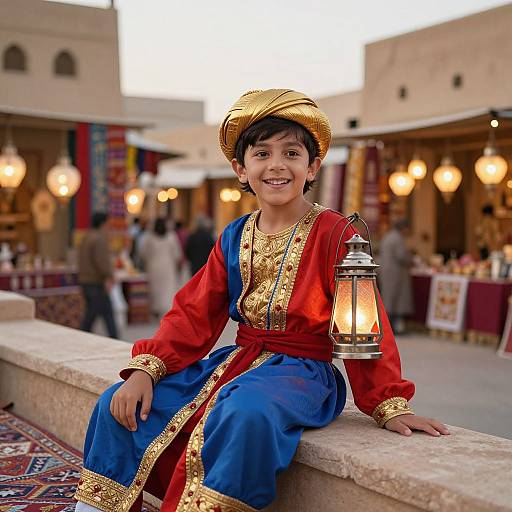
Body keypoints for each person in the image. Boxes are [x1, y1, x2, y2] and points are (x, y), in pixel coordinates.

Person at [75, 89, 448, 512]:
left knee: (244, 413)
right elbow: (194, 311)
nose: (276, 165)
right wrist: (147, 368)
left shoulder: (337, 234)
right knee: (119, 402)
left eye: (291, 153)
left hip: (305, 374)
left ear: (313, 167)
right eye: (262, 153)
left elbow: (363, 324)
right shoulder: (234, 235)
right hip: (237, 361)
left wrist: (387, 402)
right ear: (241, 168)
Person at [78, 212, 118, 339]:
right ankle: (114, 338)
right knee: (98, 313)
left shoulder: (87, 237)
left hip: (85, 280)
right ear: (103, 223)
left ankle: (83, 336)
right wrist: (110, 275)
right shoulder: (99, 239)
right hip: (95, 282)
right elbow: (102, 261)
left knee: (97, 312)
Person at [140, 218, 183, 317]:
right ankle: (166, 309)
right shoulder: (171, 237)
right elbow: (177, 254)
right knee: (167, 289)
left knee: (155, 289)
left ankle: (155, 309)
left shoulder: (149, 238)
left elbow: (143, 253)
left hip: (153, 267)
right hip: (168, 266)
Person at [378, 218, 414, 334]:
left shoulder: (388, 236)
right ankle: (392, 328)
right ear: (403, 228)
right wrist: (411, 260)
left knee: (388, 299)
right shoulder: (398, 238)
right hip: (395, 273)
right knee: (395, 300)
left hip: (385, 271)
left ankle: (387, 327)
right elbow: (401, 256)